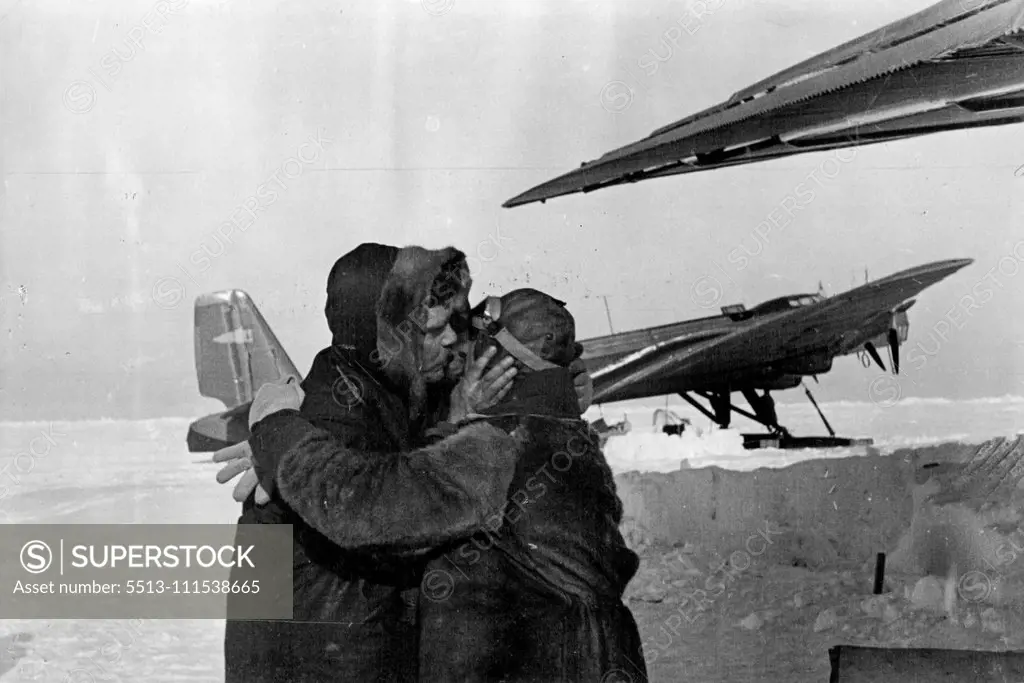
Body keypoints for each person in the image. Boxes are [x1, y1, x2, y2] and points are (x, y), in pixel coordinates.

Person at [221, 242, 523, 683]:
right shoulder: (335, 416)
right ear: (385, 333)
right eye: (433, 328)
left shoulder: (385, 391)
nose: (453, 339)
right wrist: (277, 429)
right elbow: (381, 510)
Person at [416, 289, 648, 682]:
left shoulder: (490, 451)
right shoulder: (569, 440)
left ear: (492, 359)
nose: (460, 354)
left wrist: (457, 421)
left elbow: (391, 510)